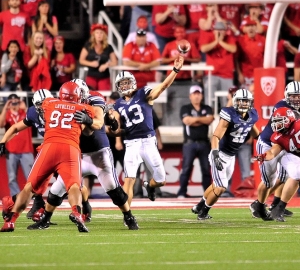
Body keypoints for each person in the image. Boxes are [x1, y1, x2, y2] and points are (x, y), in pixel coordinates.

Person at [30, 79, 139, 230]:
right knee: (57, 189)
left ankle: (129, 216)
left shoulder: (95, 100)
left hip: (98, 152)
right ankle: (46, 219)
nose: (72, 99)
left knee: (112, 188)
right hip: (76, 153)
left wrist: (88, 119)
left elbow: (99, 123)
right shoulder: (64, 102)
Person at [0, 81, 94, 233]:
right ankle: (77, 211)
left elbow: (42, 107)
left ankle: (11, 220)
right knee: (74, 186)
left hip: (49, 148)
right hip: (70, 149)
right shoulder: (84, 108)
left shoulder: (49, 104)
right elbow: (91, 129)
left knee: (30, 187)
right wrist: (89, 121)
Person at [111, 56, 184, 207]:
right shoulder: (117, 104)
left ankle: (150, 186)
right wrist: (112, 127)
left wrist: (175, 70)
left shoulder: (143, 93)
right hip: (131, 144)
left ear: (133, 83)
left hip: (149, 141)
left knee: (161, 180)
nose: (125, 86)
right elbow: (116, 129)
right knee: (129, 179)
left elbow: (162, 87)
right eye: (122, 84)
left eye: (127, 82)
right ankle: (127, 215)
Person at [191, 89, 260, 220]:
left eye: (246, 101)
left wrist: (266, 142)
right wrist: (215, 154)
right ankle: (203, 212)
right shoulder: (229, 114)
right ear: (235, 101)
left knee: (216, 185)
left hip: (231, 155)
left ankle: (199, 205)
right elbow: (216, 136)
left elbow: (255, 132)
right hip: (220, 153)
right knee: (221, 187)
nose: (244, 104)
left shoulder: (252, 115)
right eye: (241, 101)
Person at [0, 89, 54, 220]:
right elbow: (15, 127)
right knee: (35, 182)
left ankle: (30, 205)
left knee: (65, 185)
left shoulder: (60, 112)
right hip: (49, 150)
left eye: (46, 102)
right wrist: (2, 142)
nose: (44, 106)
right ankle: (20, 205)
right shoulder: (33, 113)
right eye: (41, 104)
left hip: (60, 148)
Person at [249, 82, 299, 220]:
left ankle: (276, 205)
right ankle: (259, 204)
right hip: (269, 143)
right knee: (268, 181)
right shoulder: (281, 106)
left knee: (284, 177)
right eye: (293, 96)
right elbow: (288, 122)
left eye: (298, 96)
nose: (296, 99)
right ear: (286, 96)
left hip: (286, 144)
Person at [177, 85, 214, 198]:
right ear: (190, 96)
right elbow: (187, 121)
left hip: (204, 142)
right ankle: (182, 192)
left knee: (206, 170)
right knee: (186, 168)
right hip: (190, 142)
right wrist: (201, 119)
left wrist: (195, 120)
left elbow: (210, 119)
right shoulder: (185, 108)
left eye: (198, 94)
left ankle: (207, 194)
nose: (197, 96)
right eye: (194, 94)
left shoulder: (207, 107)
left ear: (202, 95)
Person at [0, 94, 34, 197]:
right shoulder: (8, 114)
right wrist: (6, 107)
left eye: (16, 100)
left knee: (31, 177)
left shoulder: (25, 113)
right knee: (12, 177)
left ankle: (32, 197)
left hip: (26, 150)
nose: (14, 102)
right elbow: (1, 124)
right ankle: (15, 197)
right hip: (11, 150)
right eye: (11, 100)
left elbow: (35, 118)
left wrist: (26, 108)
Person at [79, 23, 118, 91]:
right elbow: (81, 60)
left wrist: (106, 65)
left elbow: (115, 62)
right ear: (93, 34)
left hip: (104, 76)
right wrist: (91, 63)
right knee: (90, 96)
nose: (99, 35)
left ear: (104, 35)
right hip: (91, 75)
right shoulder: (88, 45)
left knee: (103, 97)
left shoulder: (108, 47)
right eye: (97, 33)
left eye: (101, 33)